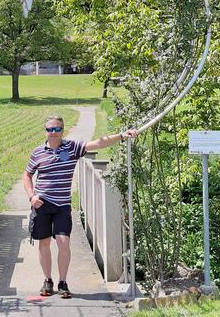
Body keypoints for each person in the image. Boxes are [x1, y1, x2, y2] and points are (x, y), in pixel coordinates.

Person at [22, 115, 138, 298]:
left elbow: (99, 143)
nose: (53, 133)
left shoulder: (72, 148)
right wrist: (31, 197)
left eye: (57, 129)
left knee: (63, 242)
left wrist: (122, 136)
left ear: (62, 130)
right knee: (43, 243)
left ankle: (62, 282)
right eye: (49, 129)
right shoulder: (37, 152)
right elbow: (27, 175)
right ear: (45, 131)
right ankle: (47, 280)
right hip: (42, 204)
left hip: (62, 205)